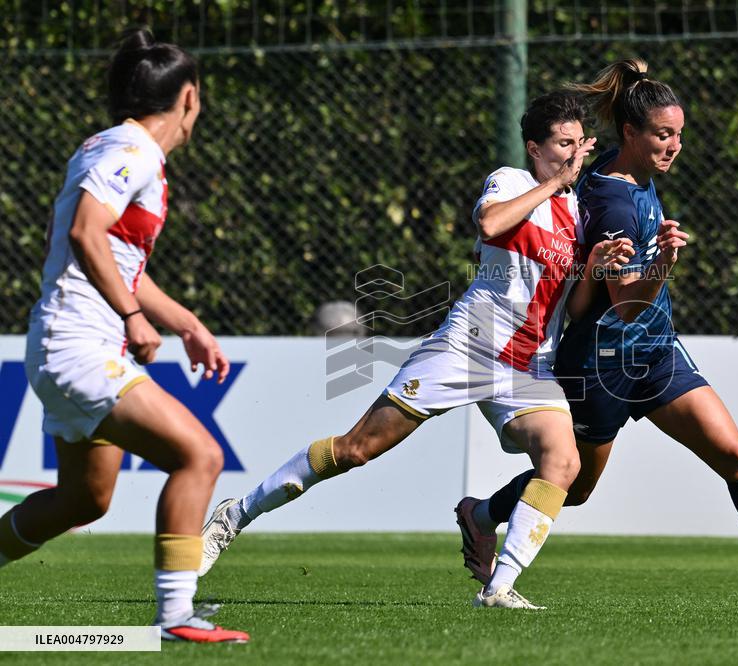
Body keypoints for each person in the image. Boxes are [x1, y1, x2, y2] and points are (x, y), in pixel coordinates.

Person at [198, 91, 635, 609]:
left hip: (529, 365)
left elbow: (575, 306)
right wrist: (552, 183)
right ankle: (235, 516)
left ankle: (499, 588)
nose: (572, 154)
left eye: (577, 144)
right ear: (534, 148)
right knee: (355, 449)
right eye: (561, 144)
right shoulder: (513, 181)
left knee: (562, 462)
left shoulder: (577, 215)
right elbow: (490, 224)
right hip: (468, 346)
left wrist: (595, 266)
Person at [455, 58, 738, 608]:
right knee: (574, 488)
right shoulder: (614, 204)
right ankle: (482, 513)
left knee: (736, 456)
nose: (674, 146)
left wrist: (634, 76)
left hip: (656, 355)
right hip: (602, 365)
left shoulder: (623, 169)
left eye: (678, 134)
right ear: (631, 133)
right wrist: (664, 265)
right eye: (663, 134)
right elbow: (628, 306)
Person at [0, 29, 249, 642]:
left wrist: (185, 323)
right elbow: (85, 233)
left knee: (83, 500)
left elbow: (118, 260)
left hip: (69, 343)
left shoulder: (120, 149)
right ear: (188, 97)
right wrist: (134, 317)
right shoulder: (131, 151)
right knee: (199, 456)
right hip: (77, 345)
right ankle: (176, 618)